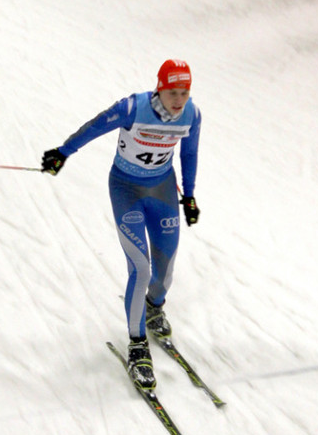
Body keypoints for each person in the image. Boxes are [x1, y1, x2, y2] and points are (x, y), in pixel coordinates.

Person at [41, 59, 202, 389]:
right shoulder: (133, 107)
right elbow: (94, 126)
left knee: (166, 267)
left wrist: (189, 196)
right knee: (140, 268)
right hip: (126, 190)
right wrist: (62, 152)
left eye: (184, 92)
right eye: (173, 91)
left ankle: (154, 308)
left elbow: (189, 154)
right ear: (160, 87)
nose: (179, 100)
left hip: (162, 190)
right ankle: (137, 345)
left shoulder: (192, 115)